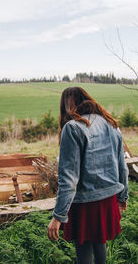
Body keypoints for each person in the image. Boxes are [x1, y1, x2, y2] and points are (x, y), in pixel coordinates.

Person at [47, 86, 129, 264]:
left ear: (66, 106)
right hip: (108, 198)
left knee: (84, 250)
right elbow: (123, 165)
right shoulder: (110, 123)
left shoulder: (73, 127)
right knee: (100, 243)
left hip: (85, 202)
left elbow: (69, 178)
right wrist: (123, 195)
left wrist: (58, 216)